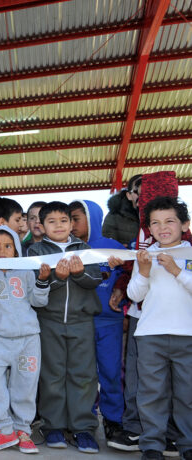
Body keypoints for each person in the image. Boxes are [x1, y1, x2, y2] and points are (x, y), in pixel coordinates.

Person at [27, 201, 102, 453]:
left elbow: (94, 280)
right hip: (49, 321)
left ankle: (83, 428)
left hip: (82, 322)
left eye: (63, 221)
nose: (58, 226)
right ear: (42, 226)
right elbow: (35, 288)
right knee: (52, 375)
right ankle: (53, 427)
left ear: (72, 224)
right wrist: (59, 279)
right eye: (51, 221)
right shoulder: (35, 252)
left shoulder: (85, 249)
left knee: (84, 377)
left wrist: (78, 274)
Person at [0, 226, 50, 453]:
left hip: (28, 340)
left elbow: (38, 300)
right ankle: (4, 430)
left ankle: (23, 431)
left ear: (16, 250)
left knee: (25, 385)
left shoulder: (24, 271)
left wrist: (43, 280)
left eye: (7, 246)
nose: (2, 251)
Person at [127, 196, 192, 460]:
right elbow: (134, 295)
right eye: (155, 223)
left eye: (170, 221)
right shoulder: (145, 255)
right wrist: (143, 271)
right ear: (149, 229)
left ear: (184, 224)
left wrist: (177, 270)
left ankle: (187, 444)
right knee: (151, 393)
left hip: (187, 335)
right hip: (150, 335)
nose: (162, 228)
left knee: (187, 394)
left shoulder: (189, 254)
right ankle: (152, 445)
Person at [70, 200, 127, 442]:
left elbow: (128, 276)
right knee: (82, 376)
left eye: (75, 218)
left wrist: (123, 303)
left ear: (91, 217)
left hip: (109, 323)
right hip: (80, 323)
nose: (71, 225)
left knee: (112, 373)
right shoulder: (69, 249)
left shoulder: (113, 247)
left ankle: (114, 422)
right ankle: (85, 423)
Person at [103, 174, 142, 247]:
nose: (142, 193)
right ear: (129, 195)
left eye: (146, 189)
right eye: (136, 190)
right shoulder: (114, 215)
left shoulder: (162, 212)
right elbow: (108, 245)